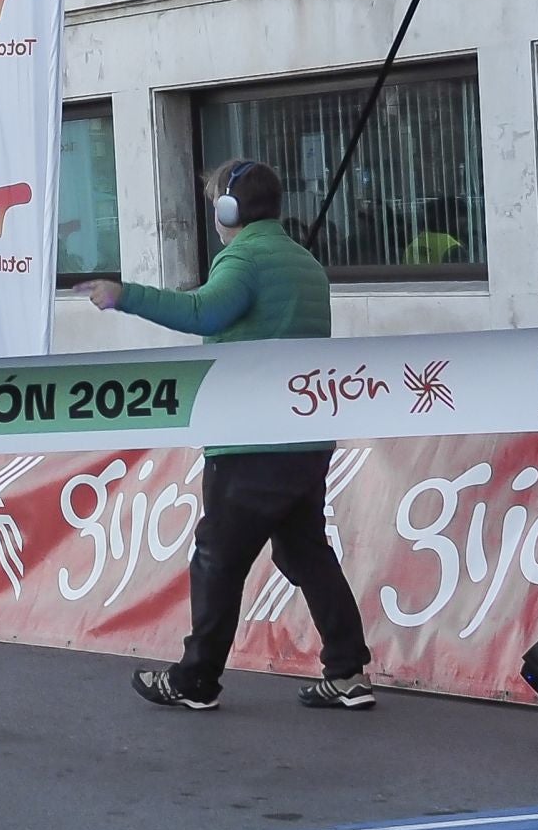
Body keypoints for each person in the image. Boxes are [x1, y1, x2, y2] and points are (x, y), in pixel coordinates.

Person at [78, 158, 375, 712]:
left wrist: (125, 295)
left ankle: (196, 679)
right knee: (306, 552)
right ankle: (348, 671)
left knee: (218, 558)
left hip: (251, 442)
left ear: (227, 209)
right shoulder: (305, 262)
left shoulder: (245, 257)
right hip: (304, 439)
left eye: (215, 202)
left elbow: (204, 313)